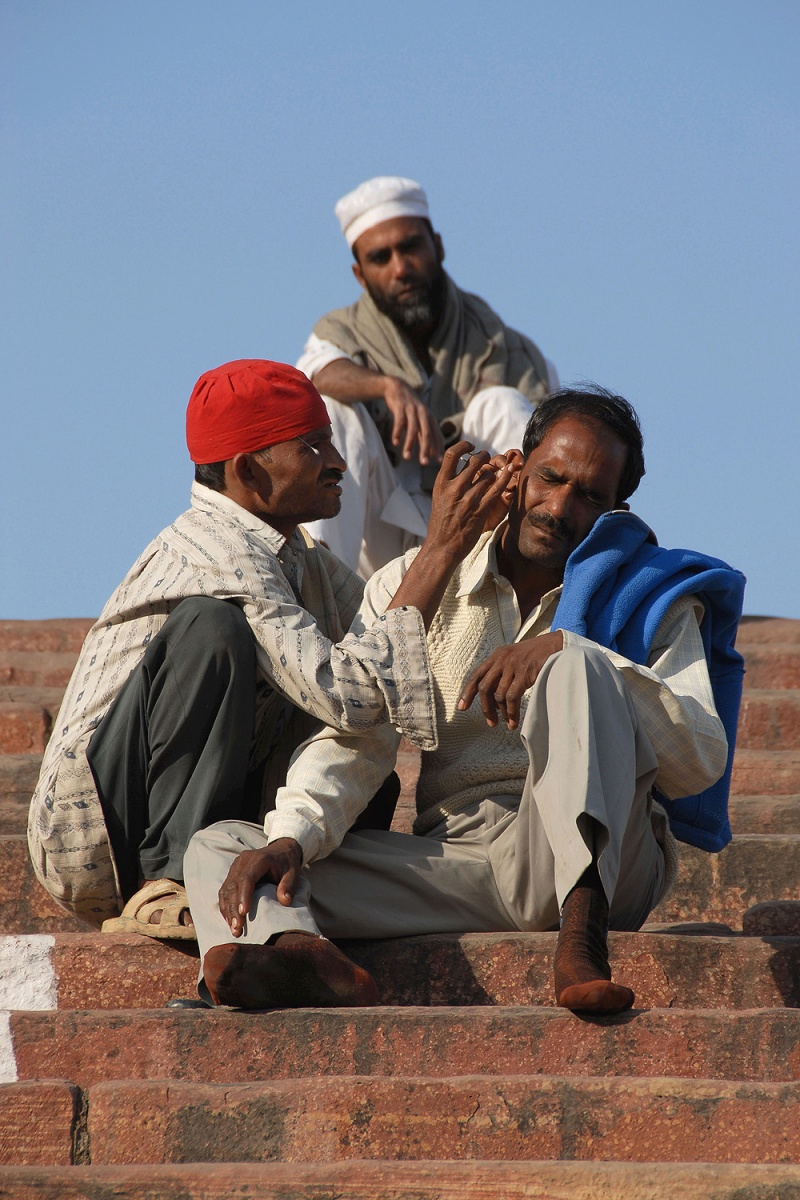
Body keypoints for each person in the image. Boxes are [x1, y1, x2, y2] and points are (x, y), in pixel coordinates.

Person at [185, 386, 745, 1015]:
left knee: (575, 669)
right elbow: (357, 737)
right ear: (516, 468)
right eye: (550, 479)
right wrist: (291, 840)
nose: (559, 508)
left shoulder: (648, 596)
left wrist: (568, 650)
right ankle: (288, 951)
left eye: (589, 495)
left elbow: (701, 754)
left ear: (617, 510)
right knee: (225, 847)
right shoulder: (410, 583)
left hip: (612, 865)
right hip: (461, 858)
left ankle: (581, 940)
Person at [28, 359, 516, 935]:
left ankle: (291, 888)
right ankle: (166, 882)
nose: (337, 464)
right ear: (247, 472)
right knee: (213, 629)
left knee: (365, 768)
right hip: (94, 838)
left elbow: (386, 638)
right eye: (312, 448)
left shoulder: (296, 554)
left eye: (331, 442)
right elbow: (355, 693)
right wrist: (441, 545)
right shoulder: (217, 549)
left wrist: (480, 534)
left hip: (182, 808)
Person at [296, 175, 558, 577]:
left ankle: (539, 577)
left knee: (501, 404)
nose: (400, 268)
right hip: (378, 542)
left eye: (410, 247)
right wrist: (387, 387)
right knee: (332, 410)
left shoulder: (508, 348)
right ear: (360, 275)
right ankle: (318, 590)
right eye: (381, 258)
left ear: (436, 244)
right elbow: (311, 375)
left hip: (475, 536)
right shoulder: (341, 333)